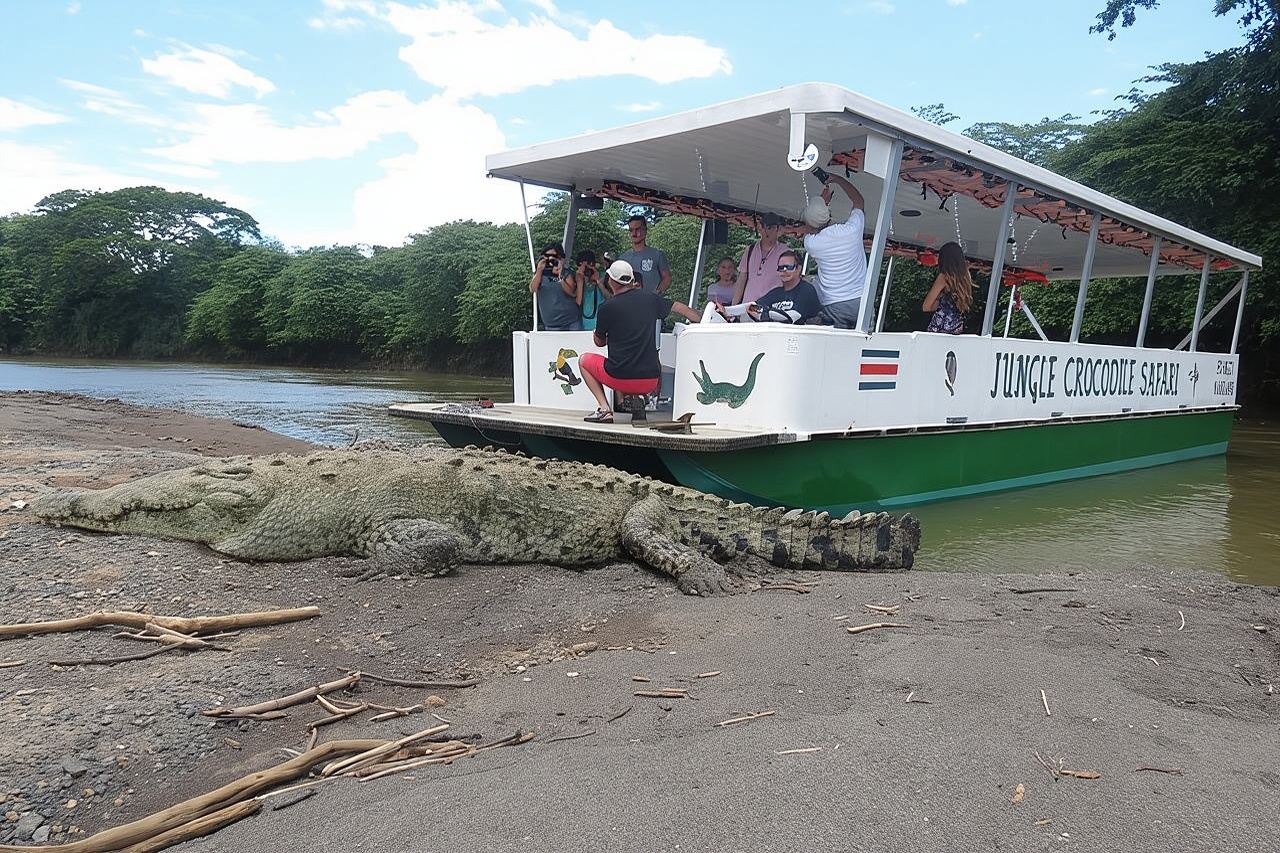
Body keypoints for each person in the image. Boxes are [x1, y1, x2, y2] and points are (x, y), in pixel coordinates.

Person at [580, 259, 701, 423]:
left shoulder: (607, 308)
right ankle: (639, 400)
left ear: (610, 280)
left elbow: (599, 342)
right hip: (650, 381)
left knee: (584, 360)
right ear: (631, 279)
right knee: (639, 357)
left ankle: (604, 409)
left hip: (620, 379)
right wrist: (704, 322)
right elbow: (682, 309)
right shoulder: (650, 299)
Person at [799, 171, 867, 329]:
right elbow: (859, 201)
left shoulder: (812, 244)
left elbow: (811, 226)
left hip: (833, 303)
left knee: (837, 349)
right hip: (861, 300)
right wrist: (837, 179)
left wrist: (822, 204)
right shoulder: (851, 230)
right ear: (828, 215)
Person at [741, 250, 821, 324]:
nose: (784, 271)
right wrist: (729, 311)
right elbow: (751, 307)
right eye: (781, 268)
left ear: (798, 269)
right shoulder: (776, 293)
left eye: (789, 267)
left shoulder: (806, 290)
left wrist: (765, 313)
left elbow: (792, 316)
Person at [732, 212, 788, 306]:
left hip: (771, 309)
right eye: (767, 227)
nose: (769, 232)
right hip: (747, 308)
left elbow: (789, 281)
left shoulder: (786, 252)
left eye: (773, 228)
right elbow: (742, 279)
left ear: (778, 230)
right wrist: (733, 308)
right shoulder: (750, 250)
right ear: (760, 228)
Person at [922, 241, 973, 334]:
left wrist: (939, 299)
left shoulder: (944, 277)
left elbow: (926, 306)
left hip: (940, 326)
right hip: (956, 327)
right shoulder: (966, 277)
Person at [529, 243, 580, 331]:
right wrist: (539, 270)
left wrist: (560, 274)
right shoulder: (540, 274)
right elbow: (533, 288)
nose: (551, 260)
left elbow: (571, 292)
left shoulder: (566, 273)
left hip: (570, 322)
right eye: (547, 257)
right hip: (551, 325)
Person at [619, 215, 671, 294]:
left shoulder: (657, 255)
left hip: (652, 303)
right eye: (631, 230)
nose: (634, 233)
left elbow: (667, 278)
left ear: (645, 230)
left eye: (637, 229)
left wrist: (656, 293)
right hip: (629, 304)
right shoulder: (623, 258)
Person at [576, 250, 609, 331]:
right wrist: (580, 280)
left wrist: (598, 281)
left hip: (601, 325)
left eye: (588, 266)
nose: (586, 270)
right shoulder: (578, 279)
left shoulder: (604, 277)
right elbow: (578, 302)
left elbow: (610, 298)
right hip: (584, 325)